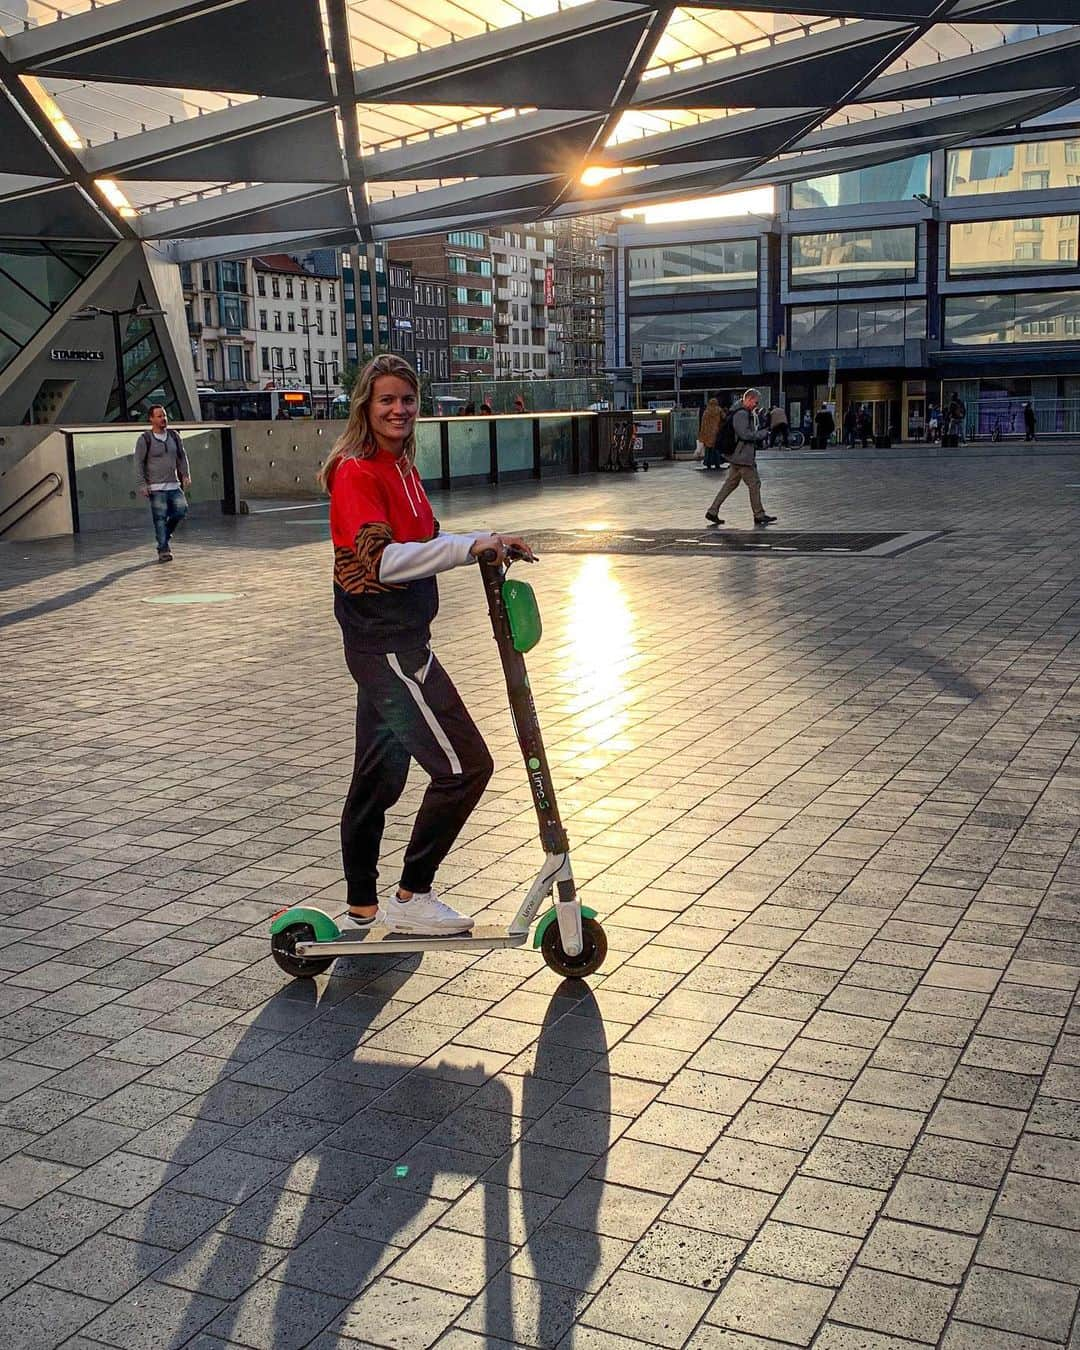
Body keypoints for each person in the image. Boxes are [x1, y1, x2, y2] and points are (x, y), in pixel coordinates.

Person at [321, 354, 532, 936]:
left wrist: (486, 542)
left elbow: (431, 540)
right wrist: (469, 549)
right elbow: (384, 560)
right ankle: (412, 896)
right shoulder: (358, 471)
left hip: (396, 642)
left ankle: (362, 906)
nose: (399, 410)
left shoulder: (401, 468)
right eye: (386, 399)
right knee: (466, 767)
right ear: (365, 404)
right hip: (388, 647)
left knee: (378, 777)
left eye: (407, 400)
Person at [705, 387, 776, 527]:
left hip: (737, 456)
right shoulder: (742, 414)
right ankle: (759, 514)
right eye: (755, 402)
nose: (756, 405)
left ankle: (712, 511)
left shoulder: (740, 412)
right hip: (742, 456)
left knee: (730, 484)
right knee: (754, 484)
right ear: (748, 399)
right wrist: (761, 434)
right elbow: (745, 434)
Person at [134, 405, 190, 563]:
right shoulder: (145, 439)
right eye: (159, 416)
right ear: (151, 419)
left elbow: (181, 456)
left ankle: (165, 533)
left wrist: (185, 474)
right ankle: (163, 549)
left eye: (164, 415)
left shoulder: (174, 436)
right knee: (159, 517)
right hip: (156, 487)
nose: (163, 419)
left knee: (181, 510)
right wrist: (142, 484)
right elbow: (138, 462)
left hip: (173, 484)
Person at [698, 397, 724, 470]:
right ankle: (717, 463)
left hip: (707, 433)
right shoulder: (719, 410)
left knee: (708, 449)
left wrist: (701, 434)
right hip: (716, 432)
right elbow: (724, 417)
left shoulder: (706, 412)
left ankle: (708, 463)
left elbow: (703, 423)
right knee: (716, 449)